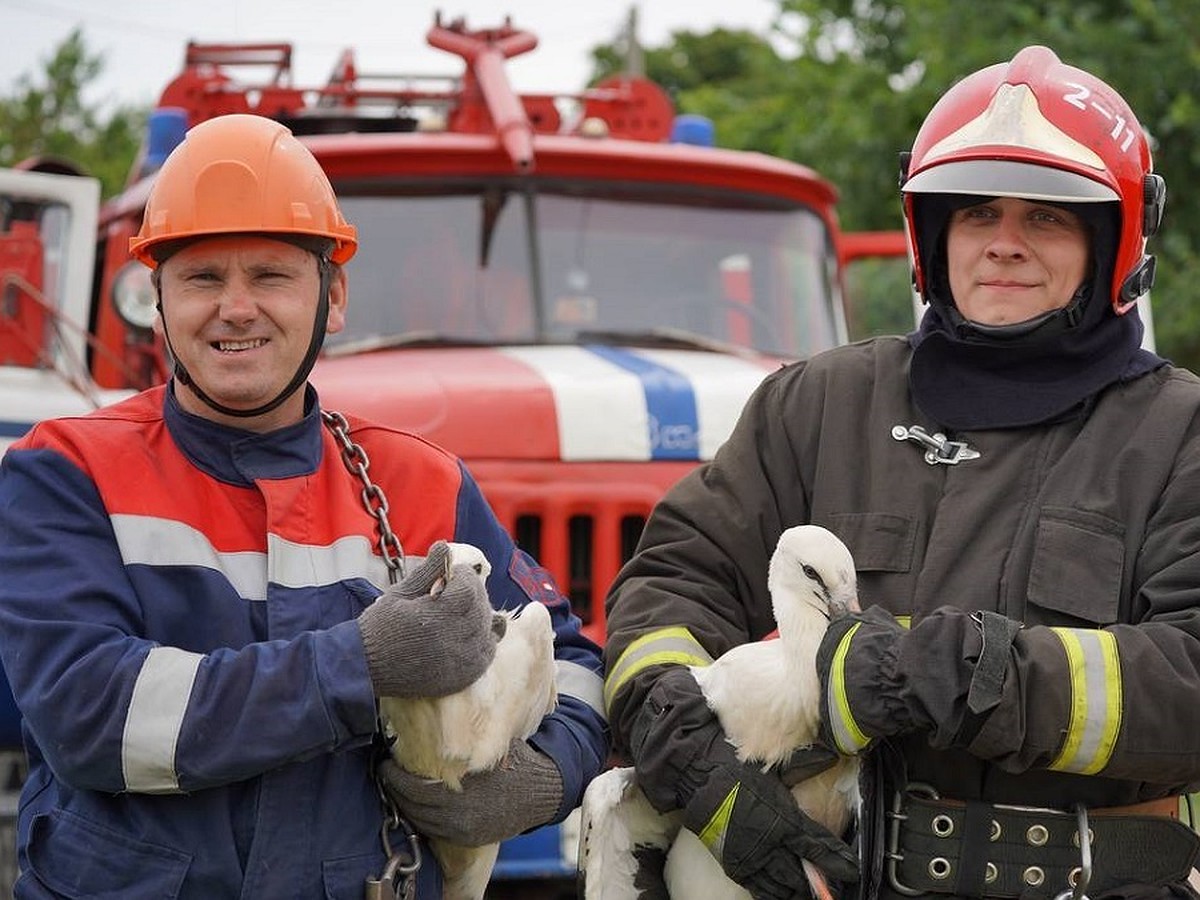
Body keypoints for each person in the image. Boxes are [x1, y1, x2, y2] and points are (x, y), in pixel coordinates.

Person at [603, 45, 1200, 900]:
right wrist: (686, 747)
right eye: (977, 214)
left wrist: (956, 673)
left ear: (1114, 243)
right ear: (934, 234)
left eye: (1048, 218)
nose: (1003, 245)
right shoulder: (817, 403)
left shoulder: (1179, 436)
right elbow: (672, 580)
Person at [0, 113, 607, 898]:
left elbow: (571, 663)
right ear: (159, 300)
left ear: (334, 294)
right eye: (203, 278)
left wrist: (547, 775)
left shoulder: (426, 483)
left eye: (272, 275)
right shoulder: (67, 471)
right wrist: (357, 664)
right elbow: (91, 718)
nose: (237, 307)